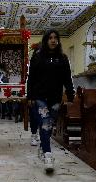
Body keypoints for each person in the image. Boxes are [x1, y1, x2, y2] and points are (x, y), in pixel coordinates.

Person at [27, 29, 75, 173]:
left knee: (49, 124)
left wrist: (70, 95)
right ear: (46, 40)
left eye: (55, 38)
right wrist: (30, 96)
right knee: (45, 123)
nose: (53, 40)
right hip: (40, 97)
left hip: (55, 97)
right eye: (50, 38)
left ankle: (43, 146)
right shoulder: (37, 57)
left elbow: (67, 78)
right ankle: (48, 155)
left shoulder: (63, 58)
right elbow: (31, 78)